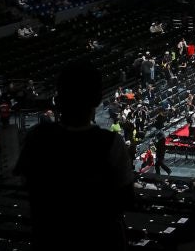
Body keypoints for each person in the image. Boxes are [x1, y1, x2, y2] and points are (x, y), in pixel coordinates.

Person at [14, 61, 134, 250]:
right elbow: (126, 197)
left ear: (59, 99)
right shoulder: (110, 143)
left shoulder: (37, 137)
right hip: (98, 237)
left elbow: (26, 184)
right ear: (97, 99)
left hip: (49, 236)